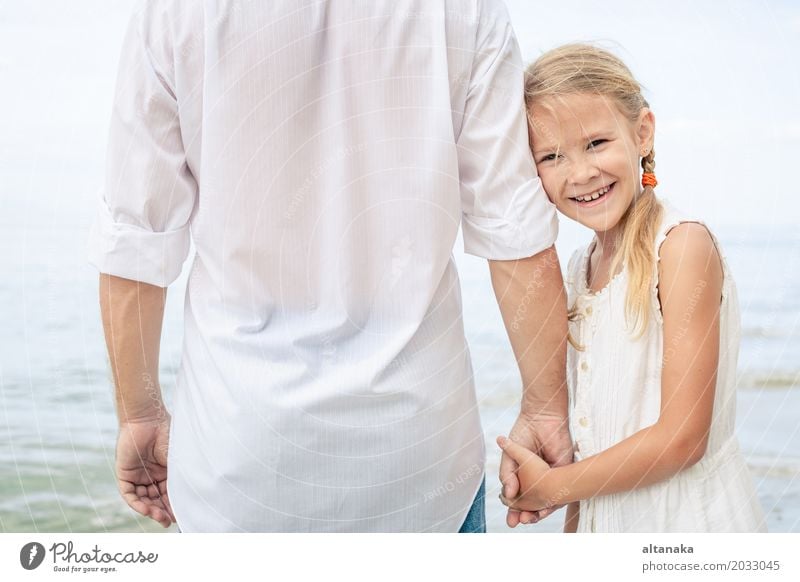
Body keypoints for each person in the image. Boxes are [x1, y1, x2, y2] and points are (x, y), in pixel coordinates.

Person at [88, 0, 570, 532]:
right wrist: (546, 407)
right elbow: (515, 233)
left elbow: (135, 242)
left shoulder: (173, 14)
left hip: (240, 469)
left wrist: (140, 415)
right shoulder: (466, 11)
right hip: (421, 466)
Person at [496, 43, 767, 532]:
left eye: (596, 143)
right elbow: (588, 438)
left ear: (642, 133)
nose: (581, 173)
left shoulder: (681, 248)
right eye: (552, 156)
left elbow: (682, 438)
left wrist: (554, 486)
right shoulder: (578, 269)